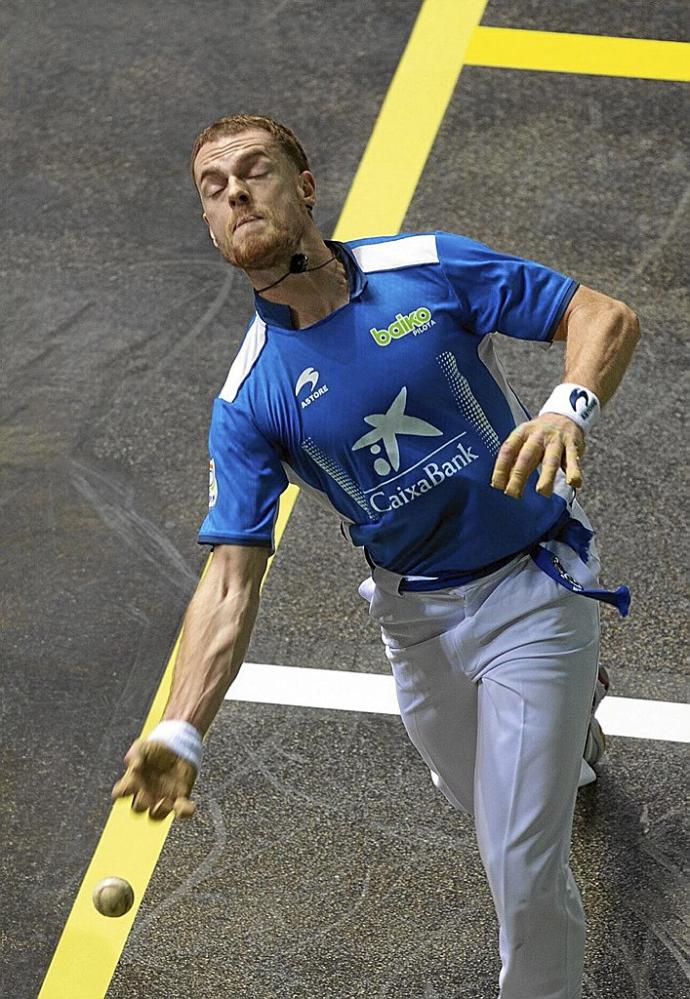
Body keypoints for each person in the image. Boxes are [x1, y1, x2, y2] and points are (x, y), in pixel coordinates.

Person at [112, 114, 640, 998]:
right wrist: (179, 724)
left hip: (533, 579)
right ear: (210, 227)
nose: (236, 192)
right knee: (476, 791)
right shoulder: (249, 399)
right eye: (215, 187)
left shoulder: (425, 266)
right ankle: (574, 716)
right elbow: (231, 582)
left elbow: (602, 314)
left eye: (255, 171)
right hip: (416, 615)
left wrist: (566, 409)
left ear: (305, 187)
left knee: (519, 858)